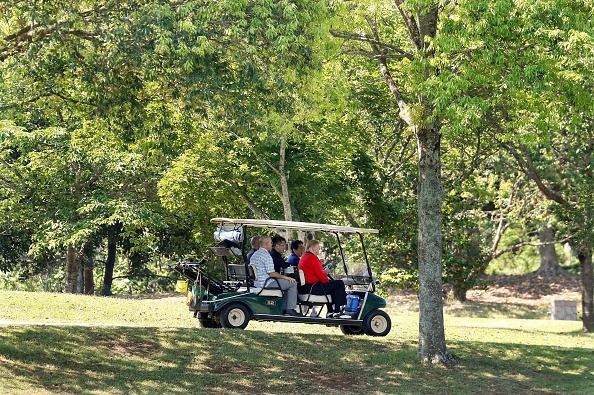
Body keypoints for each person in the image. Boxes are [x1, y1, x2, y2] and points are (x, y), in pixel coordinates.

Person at [298, 239, 349, 318]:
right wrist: (325, 277)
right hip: (312, 287)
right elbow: (321, 276)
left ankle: (330, 311)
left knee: (332, 286)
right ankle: (337, 311)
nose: (319, 249)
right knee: (339, 283)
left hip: (305, 287)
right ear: (312, 248)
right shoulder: (313, 258)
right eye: (318, 247)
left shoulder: (305, 257)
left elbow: (313, 272)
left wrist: (324, 275)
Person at [251, 235, 300, 316]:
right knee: (293, 283)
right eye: (271, 243)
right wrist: (285, 277)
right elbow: (272, 273)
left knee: (287, 283)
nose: (272, 245)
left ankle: (283, 308)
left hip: (257, 283)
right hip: (267, 283)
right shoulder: (266, 256)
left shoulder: (255, 255)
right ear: (266, 244)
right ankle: (290, 309)